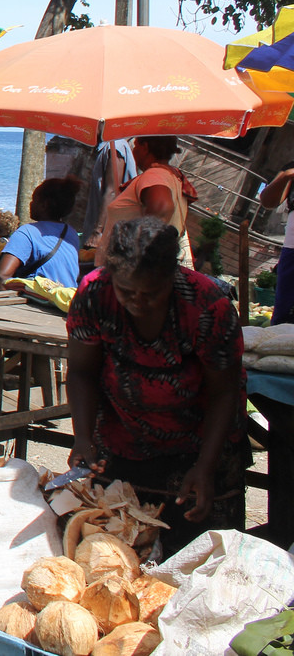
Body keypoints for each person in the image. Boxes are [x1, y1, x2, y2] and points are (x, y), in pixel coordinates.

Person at [66, 217, 246, 548]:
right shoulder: (94, 294)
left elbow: (224, 393)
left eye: (151, 293)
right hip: (123, 435)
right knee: (123, 544)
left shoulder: (208, 306)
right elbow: (81, 371)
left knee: (196, 551)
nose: (137, 302)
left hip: (199, 444)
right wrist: (82, 437)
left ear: (172, 277)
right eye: (126, 291)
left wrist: (205, 466)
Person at [93, 135, 194, 266]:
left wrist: (134, 257)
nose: (133, 151)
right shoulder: (172, 177)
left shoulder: (154, 175)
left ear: (145, 147)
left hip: (125, 272)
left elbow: (162, 209)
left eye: (135, 145)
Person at [0, 178, 83, 290]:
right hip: (66, 301)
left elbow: (2, 276)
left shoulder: (27, 232)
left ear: (45, 205)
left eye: (34, 200)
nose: (31, 204)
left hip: (39, 302)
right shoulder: (71, 233)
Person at [259, 162, 294, 324]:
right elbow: (268, 201)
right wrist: (286, 176)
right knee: (284, 315)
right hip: (292, 251)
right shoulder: (291, 169)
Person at [83, 139, 138, 239]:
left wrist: (97, 232)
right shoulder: (104, 147)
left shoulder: (116, 146)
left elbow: (112, 191)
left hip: (107, 234)